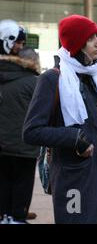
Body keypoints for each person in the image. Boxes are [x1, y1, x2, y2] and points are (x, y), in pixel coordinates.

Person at [23, 15, 97, 224]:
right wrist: (74, 137)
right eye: (91, 38)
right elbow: (31, 131)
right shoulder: (52, 79)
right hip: (77, 181)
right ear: (76, 43)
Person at [0, 47, 40, 224]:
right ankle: (17, 216)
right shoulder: (33, 82)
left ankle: (5, 215)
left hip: (2, 145)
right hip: (25, 145)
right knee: (22, 185)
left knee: (4, 183)